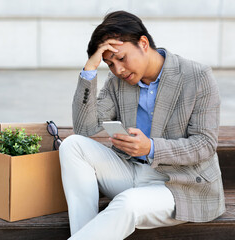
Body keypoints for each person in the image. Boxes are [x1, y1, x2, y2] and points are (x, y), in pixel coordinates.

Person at [59, 10, 225, 240]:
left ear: (143, 43)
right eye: (109, 64)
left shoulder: (197, 77)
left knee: (128, 204)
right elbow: (85, 128)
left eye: (122, 58)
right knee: (73, 145)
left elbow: (205, 145)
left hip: (180, 185)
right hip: (131, 172)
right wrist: (89, 70)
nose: (118, 70)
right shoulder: (117, 81)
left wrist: (151, 148)